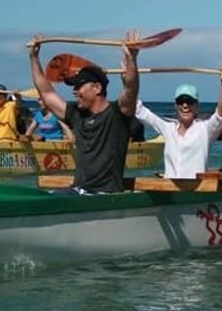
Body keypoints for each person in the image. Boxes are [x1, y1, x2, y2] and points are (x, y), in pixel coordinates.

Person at [28, 30, 140, 193]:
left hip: (104, 195)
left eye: (79, 86)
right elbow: (46, 93)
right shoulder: (77, 115)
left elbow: (130, 89)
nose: (74, 91)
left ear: (97, 88)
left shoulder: (117, 115)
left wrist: (132, 60)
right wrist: (34, 58)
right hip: (77, 191)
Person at [135, 64, 222, 178]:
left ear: (196, 106)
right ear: (175, 106)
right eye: (181, 101)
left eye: (189, 102)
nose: (185, 106)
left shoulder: (205, 129)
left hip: (196, 188)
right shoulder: (168, 128)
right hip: (170, 187)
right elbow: (140, 111)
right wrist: (130, 80)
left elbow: (221, 115)